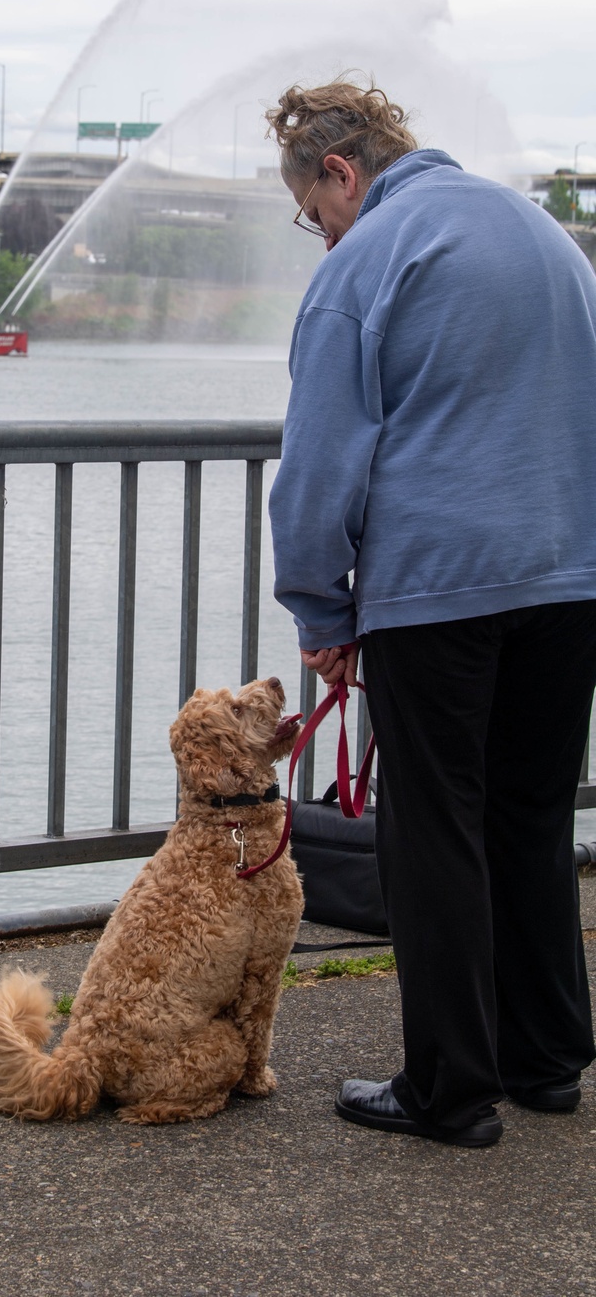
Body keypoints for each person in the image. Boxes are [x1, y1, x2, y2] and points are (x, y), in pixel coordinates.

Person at [265, 77, 596, 1148]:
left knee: (435, 831)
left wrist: (320, 612)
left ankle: (447, 1089)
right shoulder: (541, 234)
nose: (323, 238)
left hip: (439, 593)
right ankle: (546, 1062)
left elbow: (319, 463)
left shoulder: (367, 260)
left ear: (339, 173)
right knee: (532, 817)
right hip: (569, 583)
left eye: (315, 215)